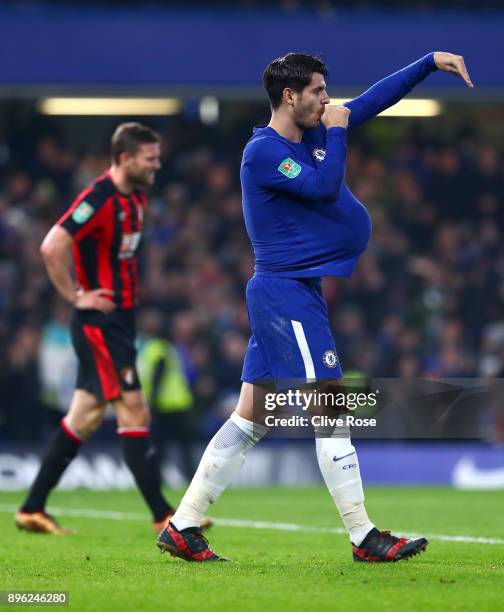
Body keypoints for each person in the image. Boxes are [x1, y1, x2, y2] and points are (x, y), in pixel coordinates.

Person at [157, 51, 473, 562]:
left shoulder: (311, 136)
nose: (329, 101)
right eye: (320, 92)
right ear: (290, 96)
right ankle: (364, 535)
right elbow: (324, 189)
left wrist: (429, 63)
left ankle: (183, 525)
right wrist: (340, 132)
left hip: (297, 290)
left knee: (253, 416)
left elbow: (372, 100)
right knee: (332, 409)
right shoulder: (263, 152)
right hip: (283, 293)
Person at [15, 122, 210, 535]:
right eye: (150, 158)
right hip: (99, 324)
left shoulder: (137, 197)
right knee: (134, 409)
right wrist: (75, 296)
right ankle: (164, 514)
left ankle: (32, 507)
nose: (158, 165)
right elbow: (52, 245)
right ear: (125, 158)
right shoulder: (98, 198)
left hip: (119, 322)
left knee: (83, 418)